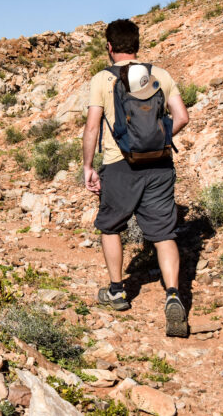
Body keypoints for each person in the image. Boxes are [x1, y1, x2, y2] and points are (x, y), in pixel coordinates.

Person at [81, 19, 190, 337]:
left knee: (111, 226)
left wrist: (88, 166)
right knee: (163, 234)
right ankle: (173, 295)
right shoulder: (160, 75)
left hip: (119, 166)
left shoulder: (103, 78)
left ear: (110, 47)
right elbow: (182, 116)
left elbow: (92, 127)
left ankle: (117, 291)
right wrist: (162, 139)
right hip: (159, 164)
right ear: (137, 45)